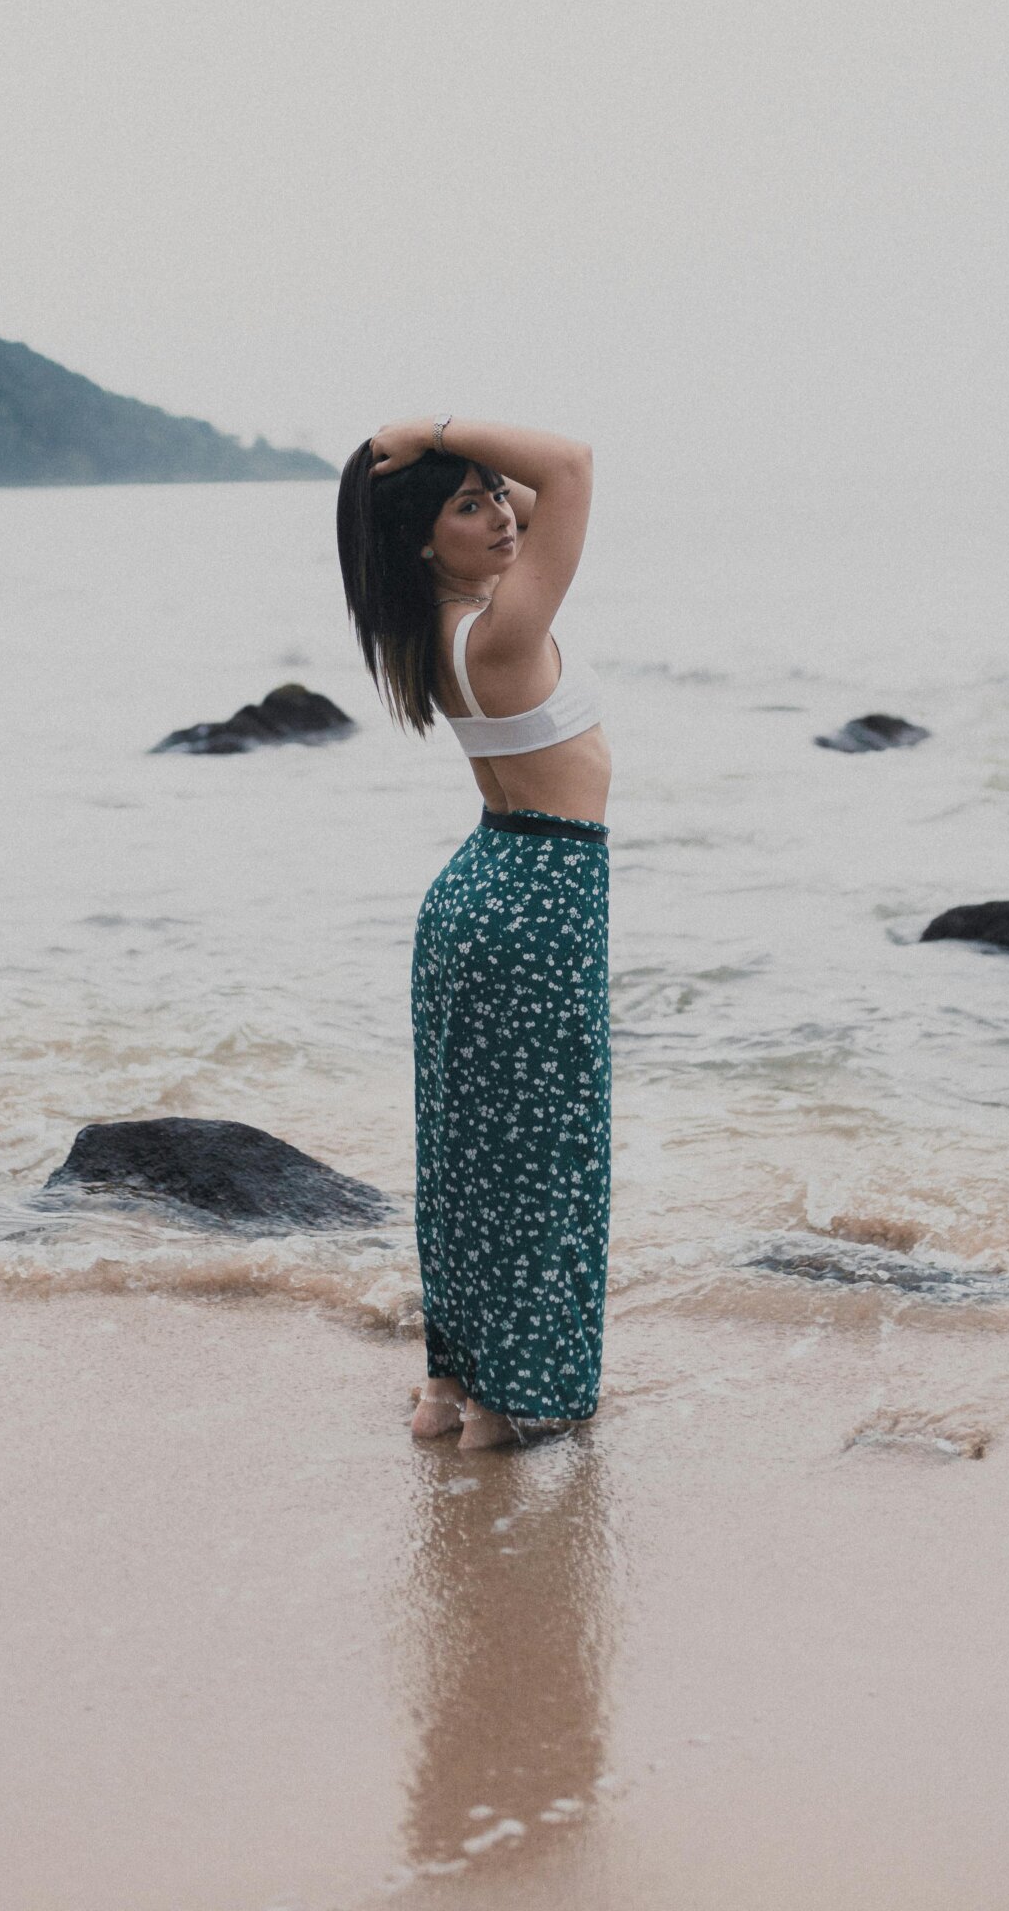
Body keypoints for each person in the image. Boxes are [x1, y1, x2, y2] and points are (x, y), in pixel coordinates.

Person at [337, 417, 611, 1450]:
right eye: (469, 505)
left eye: (497, 494)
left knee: (467, 1157)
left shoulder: (444, 624)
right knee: (545, 1158)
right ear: (420, 541)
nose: (503, 514)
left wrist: (461, 473)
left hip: (485, 886)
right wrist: (436, 427)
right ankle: (508, 1403)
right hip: (540, 895)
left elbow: (540, 500)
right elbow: (573, 469)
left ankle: (448, 1388)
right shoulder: (499, 634)